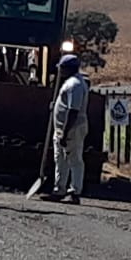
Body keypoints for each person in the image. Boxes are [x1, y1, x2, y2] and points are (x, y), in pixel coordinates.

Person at [42, 54, 90, 204]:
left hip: (72, 129)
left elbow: (73, 111)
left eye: (61, 68)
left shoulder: (74, 85)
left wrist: (65, 132)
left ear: (68, 69)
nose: (59, 71)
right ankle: (59, 189)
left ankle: (74, 192)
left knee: (74, 159)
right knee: (61, 159)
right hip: (63, 129)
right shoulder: (70, 82)